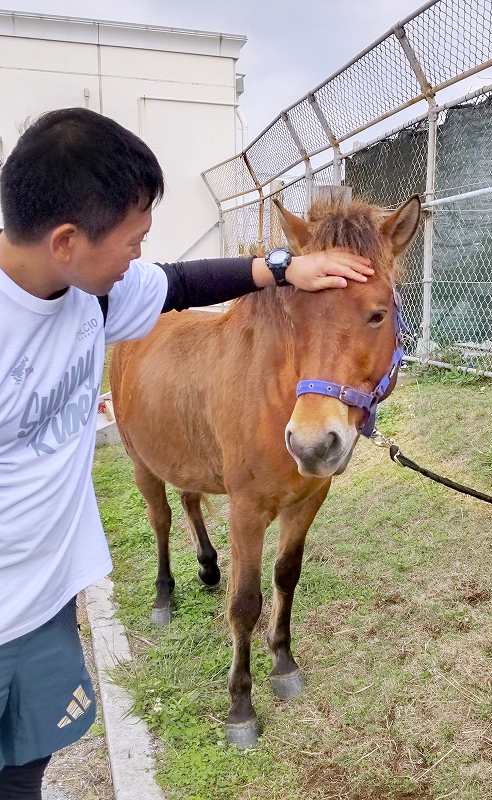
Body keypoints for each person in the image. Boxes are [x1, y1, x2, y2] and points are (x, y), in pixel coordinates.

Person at [0, 107, 372, 799]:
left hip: (45, 602)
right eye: (133, 240)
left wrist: (290, 265)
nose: (140, 257)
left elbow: (184, 282)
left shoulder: (87, 295)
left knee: (25, 771)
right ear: (66, 241)